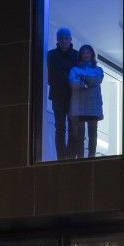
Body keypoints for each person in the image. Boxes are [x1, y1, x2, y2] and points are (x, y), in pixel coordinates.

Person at [67, 43, 105, 159]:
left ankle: (91, 158)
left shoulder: (98, 69)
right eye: (83, 52)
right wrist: (84, 85)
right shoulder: (74, 69)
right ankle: (80, 159)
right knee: (80, 136)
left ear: (92, 54)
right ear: (80, 55)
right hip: (79, 107)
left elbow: (96, 81)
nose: (86, 55)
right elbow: (72, 83)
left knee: (93, 135)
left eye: (88, 52)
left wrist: (82, 78)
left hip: (93, 107)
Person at [45, 26, 79, 160]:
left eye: (66, 38)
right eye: (61, 39)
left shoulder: (77, 55)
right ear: (58, 40)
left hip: (72, 97)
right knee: (59, 128)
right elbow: (50, 76)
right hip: (58, 96)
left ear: (70, 39)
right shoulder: (51, 54)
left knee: (72, 128)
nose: (64, 41)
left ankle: (70, 158)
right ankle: (61, 158)